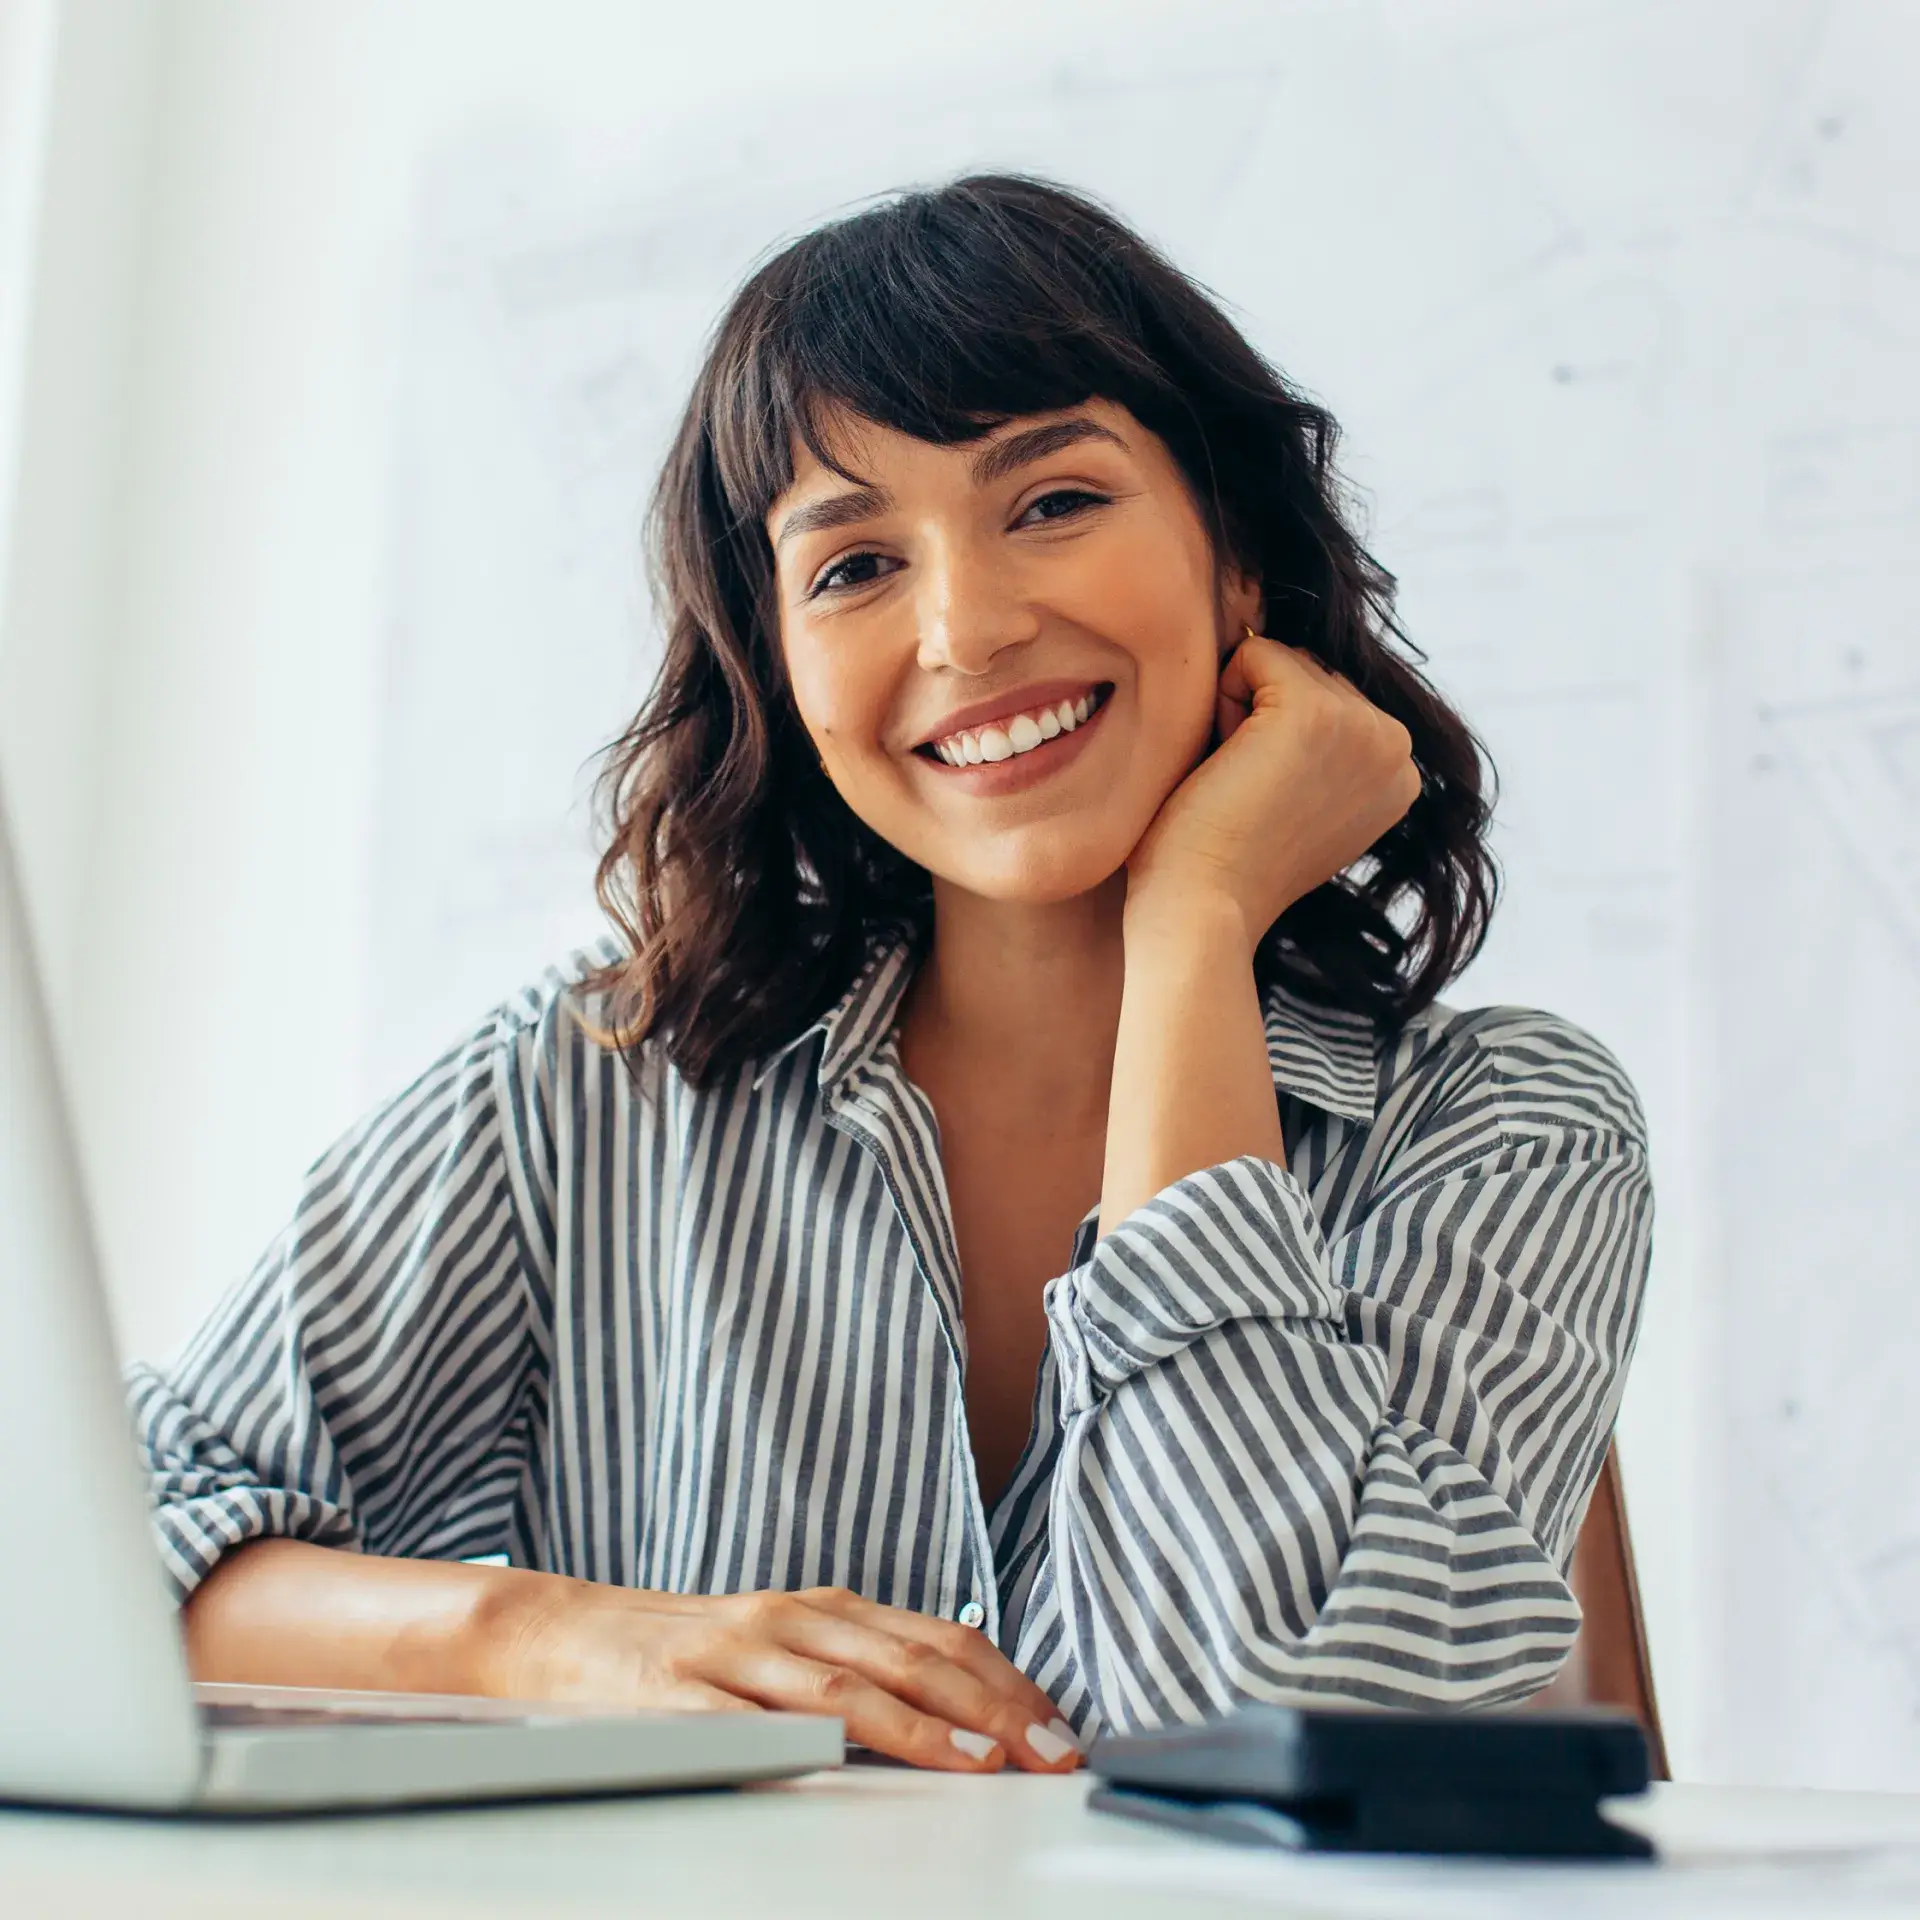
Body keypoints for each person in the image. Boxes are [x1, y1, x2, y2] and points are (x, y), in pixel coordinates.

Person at [132, 174, 1653, 1775]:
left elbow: (1278, 1736)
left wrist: (1195, 927)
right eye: (853, 567)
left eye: (1055, 501)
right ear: (781, 673)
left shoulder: (1513, 1127)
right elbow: (85, 1552)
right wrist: (549, 1636)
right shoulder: (593, 1083)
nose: (971, 627)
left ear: (1237, 568)